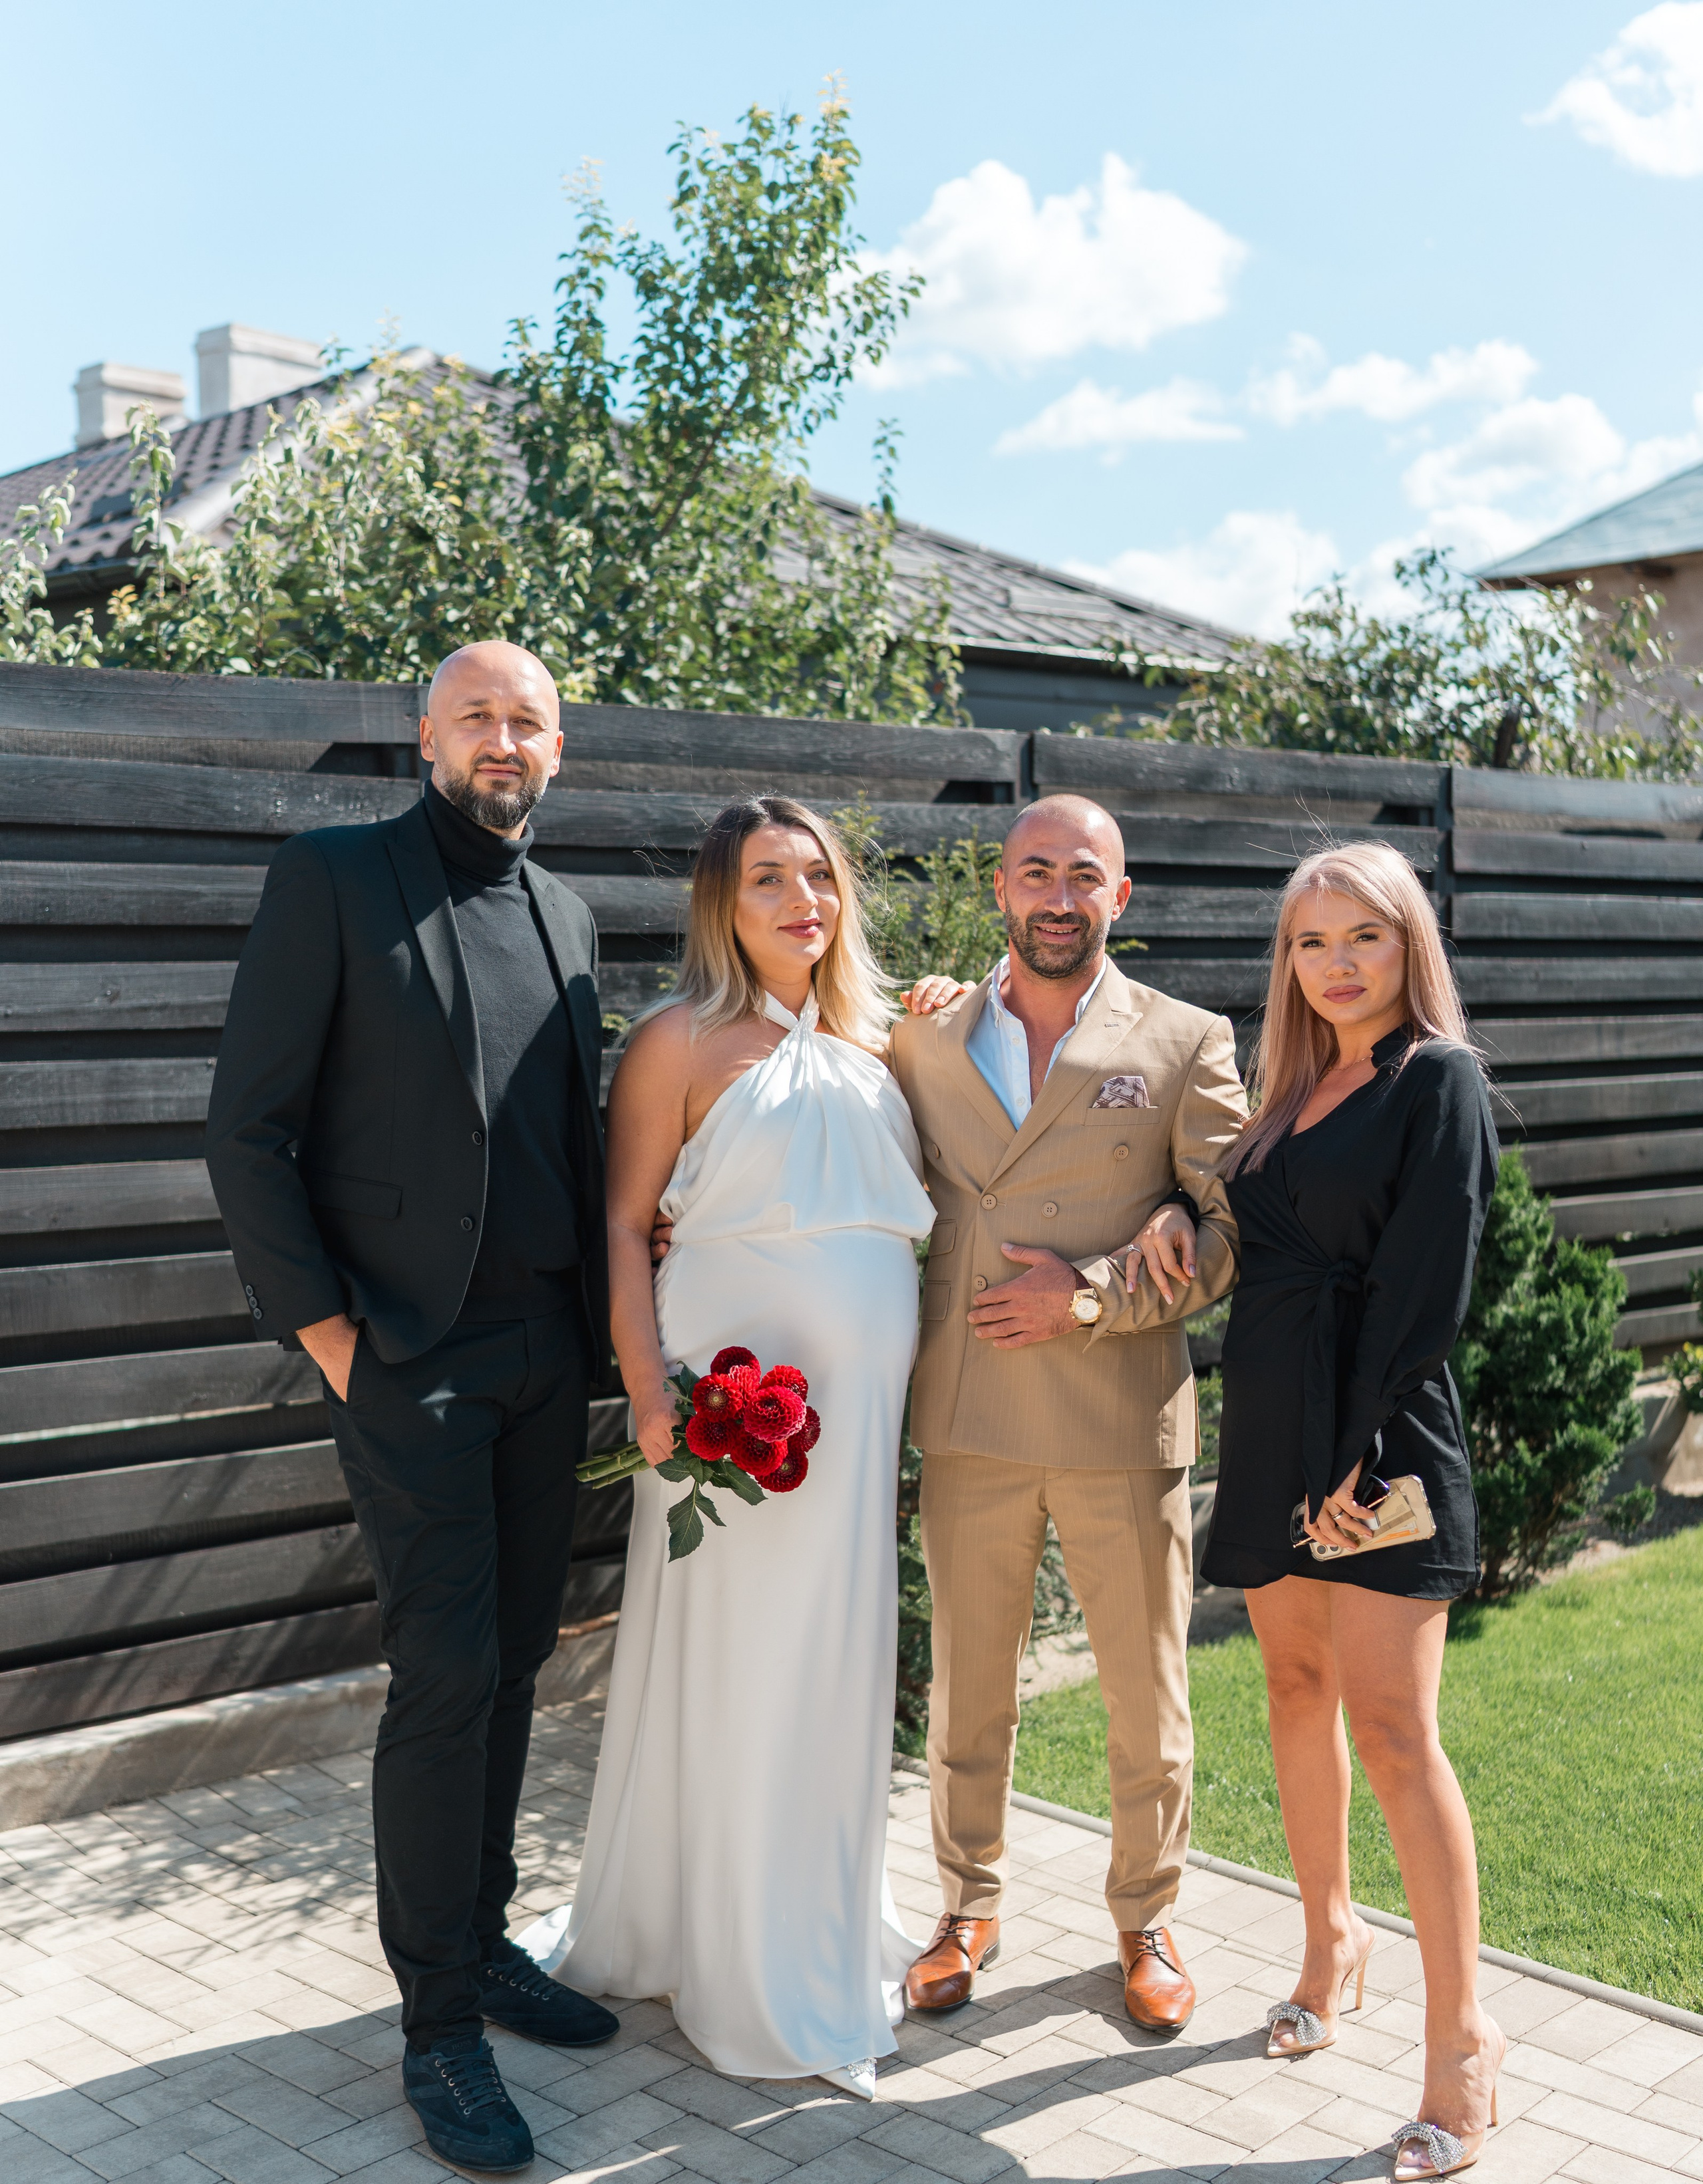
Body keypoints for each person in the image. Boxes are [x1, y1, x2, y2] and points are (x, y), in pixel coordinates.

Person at [206, 641, 618, 2177]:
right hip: (406, 1357)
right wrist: (327, 1333)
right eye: (476, 717)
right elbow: (246, 1131)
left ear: (557, 749)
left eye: (527, 721)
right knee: (444, 1672)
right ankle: (437, 2022)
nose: (501, 740)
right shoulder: (335, 879)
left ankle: (488, 1938)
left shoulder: (566, 914)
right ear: (422, 733)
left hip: (541, 1353)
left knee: (513, 1659)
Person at [518, 794, 935, 2100]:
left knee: (830, 1661)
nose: (800, 899)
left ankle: (810, 1914)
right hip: (722, 1417)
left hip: (858, 1418)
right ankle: (738, 1958)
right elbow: (625, 1224)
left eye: (817, 875)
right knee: (738, 1664)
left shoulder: (886, 1043)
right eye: (769, 879)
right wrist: (650, 1399)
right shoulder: (675, 1043)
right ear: (722, 902)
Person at [886, 793, 1245, 2034]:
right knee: (966, 1688)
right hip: (970, 1414)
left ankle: (1148, 1924)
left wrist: (1089, 1297)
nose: (1056, 896)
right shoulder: (924, 1035)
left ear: (1119, 897)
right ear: (999, 889)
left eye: (1082, 875)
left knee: (1146, 1697)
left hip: (1117, 1416)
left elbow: (1228, 1229)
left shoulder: (1189, 1039)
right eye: (1034, 872)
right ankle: (965, 1907)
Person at [1199, 842, 1503, 2182]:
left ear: (1405, 945)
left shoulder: (1432, 1079)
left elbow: (1425, 1289)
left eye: (1360, 938)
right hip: (1269, 1437)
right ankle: (1330, 1939)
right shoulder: (1289, 1088)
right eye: (1310, 942)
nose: (1333, 964)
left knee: (1390, 1728)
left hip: (1376, 1444)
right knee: (1289, 1689)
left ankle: (1461, 2047)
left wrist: (1353, 1456)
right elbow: (1252, 1245)